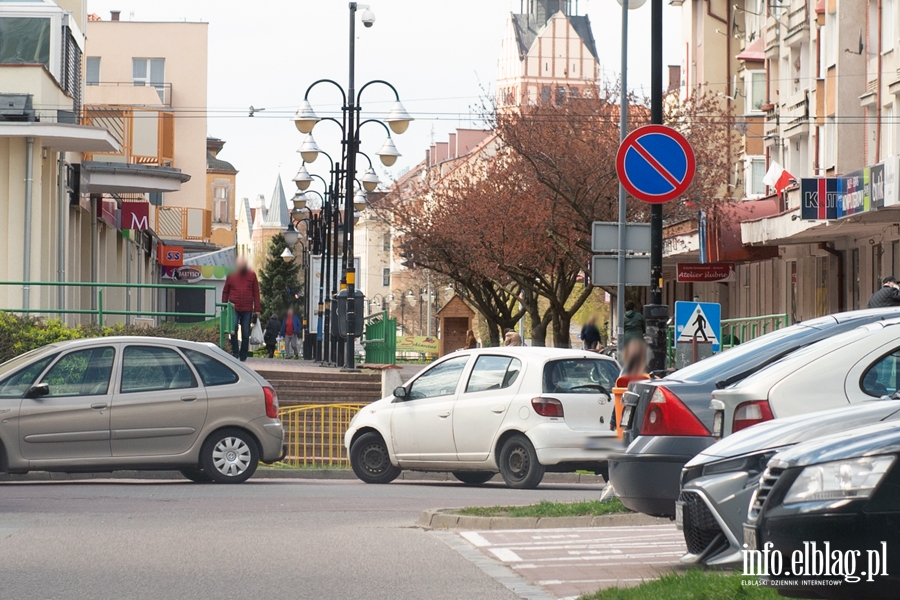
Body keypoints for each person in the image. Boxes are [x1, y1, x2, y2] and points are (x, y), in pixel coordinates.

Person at [222, 256, 262, 361]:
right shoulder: (231, 275)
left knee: (245, 332)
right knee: (233, 329)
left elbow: (256, 292)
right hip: (233, 307)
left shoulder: (252, 275)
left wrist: (257, 309)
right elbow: (226, 291)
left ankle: (243, 354)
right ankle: (235, 352)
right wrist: (224, 306)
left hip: (247, 308)